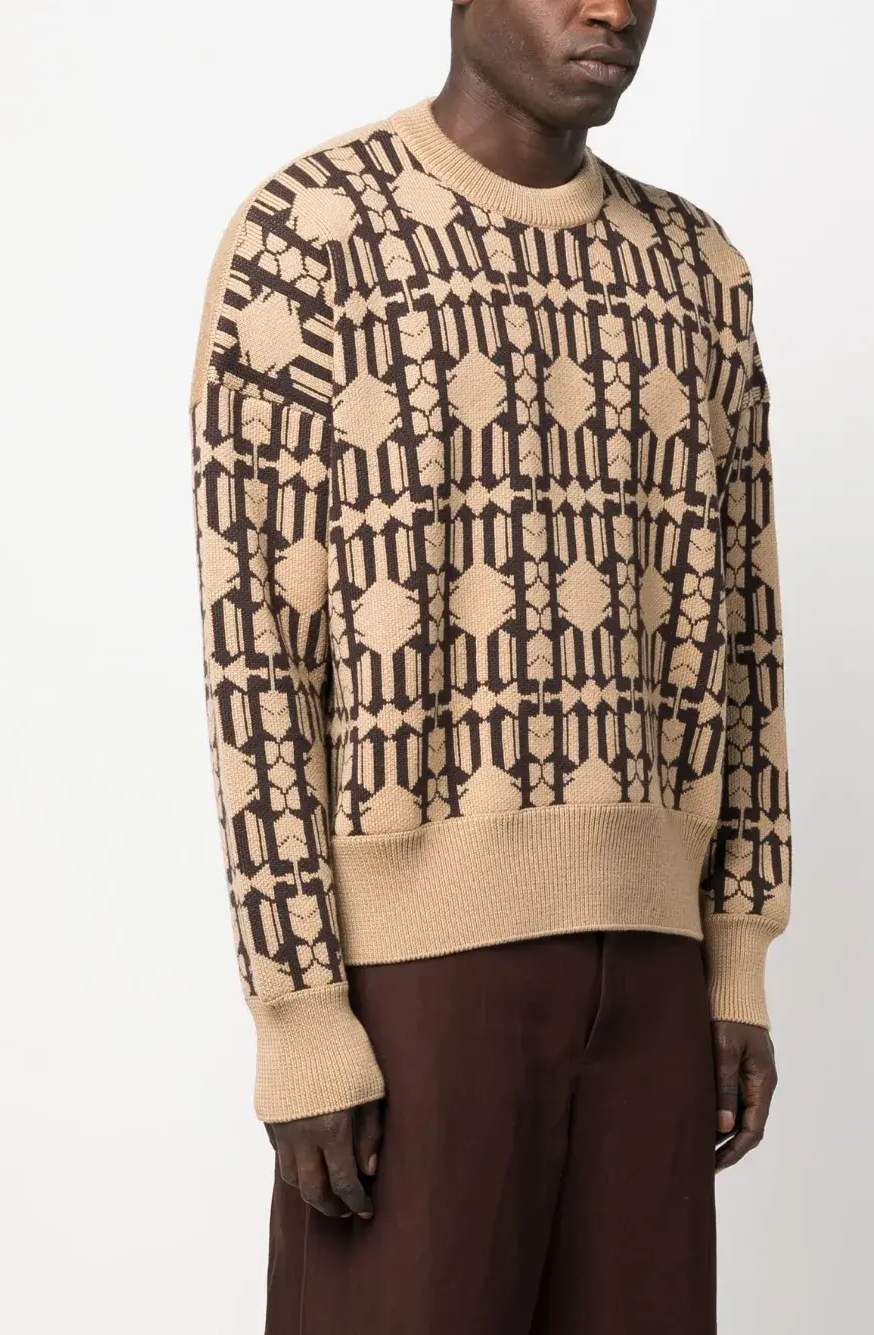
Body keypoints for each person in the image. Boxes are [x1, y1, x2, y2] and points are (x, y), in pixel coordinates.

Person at [188, 1, 792, 1330]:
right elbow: (257, 663)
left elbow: (745, 635)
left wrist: (735, 965)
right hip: (411, 986)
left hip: (655, 973)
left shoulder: (698, 269)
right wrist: (300, 1016)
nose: (613, 9)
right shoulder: (314, 238)